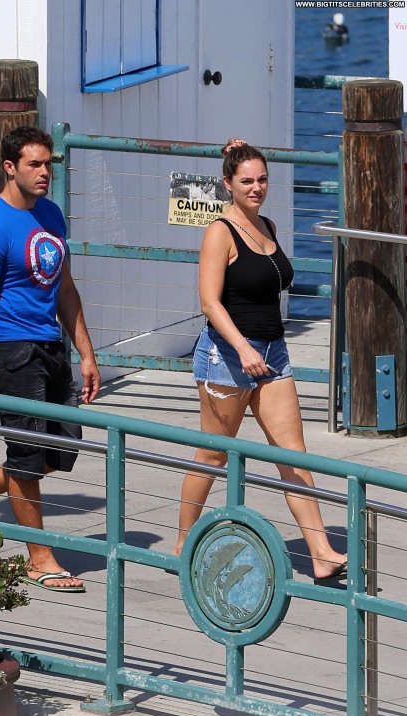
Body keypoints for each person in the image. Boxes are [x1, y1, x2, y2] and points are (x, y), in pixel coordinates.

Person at [173, 139, 347, 582]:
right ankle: (182, 543)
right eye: (247, 181)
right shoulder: (220, 231)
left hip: (274, 353)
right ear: (228, 184)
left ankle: (320, 552)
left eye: (262, 179)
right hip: (228, 357)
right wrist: (243, 348)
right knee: (213, 456)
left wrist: (261, 349)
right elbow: (209, 302)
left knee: (294, 455)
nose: (256, 188)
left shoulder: (267, 224)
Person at [0, 126, 101, 592]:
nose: (45, 172)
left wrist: (86, 353)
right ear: (10, 167)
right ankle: (39, 559)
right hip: (14, 351)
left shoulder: (51, 214)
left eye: (48, 163)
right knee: (27, 456)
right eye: (34, 164)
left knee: (62, 449)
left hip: (52, 347)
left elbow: (65, 289)